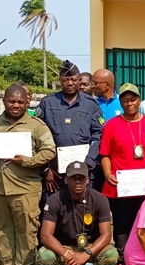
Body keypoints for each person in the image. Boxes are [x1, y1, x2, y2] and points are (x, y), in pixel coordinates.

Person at [0, 84, 56, 265]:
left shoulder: (36, 125)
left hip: (25, 188)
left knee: (26, 230)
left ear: (27, 102)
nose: (15, 105)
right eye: (11, 101)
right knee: (0, 229)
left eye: (20, 102)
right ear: (4, 101)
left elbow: (50, 151)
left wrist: (26, 160)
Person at [37, 161, 119, 265]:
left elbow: (106, 235)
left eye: (81, 178)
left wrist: (86, 254)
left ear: (87, 180)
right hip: (63, 247)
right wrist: (68, 255)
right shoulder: (54, 200)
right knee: (45, 257)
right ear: (66, 180)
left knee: (111, 255)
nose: (77, 182)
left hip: (88, 247)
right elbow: (45, 236)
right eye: (73, 178)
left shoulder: (100, 199)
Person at [100, 83, 145, 258]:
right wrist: (107, 173)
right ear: (120, 103)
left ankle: (143, 257)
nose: (129, 104)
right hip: (121, 187)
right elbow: (104, 154)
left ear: (139, 100)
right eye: (125, 100)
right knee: (122, 225)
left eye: (133, 99)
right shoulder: (112, 125)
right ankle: (124, 260)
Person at [37, 60, 103, 193]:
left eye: (73, 79)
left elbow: (98, 135)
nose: (70, 83)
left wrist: (88, 162)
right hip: (54, 174)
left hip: (83, 172)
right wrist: (45, 169)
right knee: (53, 211)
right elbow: (36, 137)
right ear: (60, 81)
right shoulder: (47, 103)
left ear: (79, 80)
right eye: (65, 80)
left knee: (83, 210)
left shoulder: (91, 105)